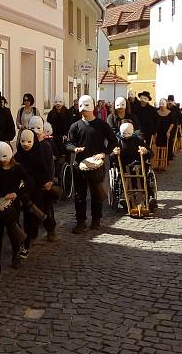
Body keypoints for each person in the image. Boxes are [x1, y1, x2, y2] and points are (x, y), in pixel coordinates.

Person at [67, 95, 118, 233]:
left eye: (86, 109)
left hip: (97, 165)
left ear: (93, 108)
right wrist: (74, 148)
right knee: (79, 195)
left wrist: (104, 153)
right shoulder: (75, 126)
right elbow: (68, 143)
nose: (84, 112)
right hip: (79, 166)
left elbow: (113, 141)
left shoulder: (102, 125)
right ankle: (81, 221)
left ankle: (96, 220)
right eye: (82, 109)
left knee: (96, 194)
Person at [0, 142, 31, 275]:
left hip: (14, 204)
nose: (3, 161)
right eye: (0, 158)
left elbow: (29, 182)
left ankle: (16, 254)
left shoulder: (18, 168)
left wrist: (17, 193)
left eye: (5, 158)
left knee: (13, 230)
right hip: (0, 205)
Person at [16, 129, 56, 247]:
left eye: (29, 141)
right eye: (23, 141)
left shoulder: (42, 150)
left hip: (41, 188)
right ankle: (31, 236)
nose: (25, 144)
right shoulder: (18, 156)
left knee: (45, 211)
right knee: (29, 214)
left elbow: (48, 167)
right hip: (27, 190)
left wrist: (49, 180)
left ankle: (51, 229)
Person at [47, 94, 73, 160]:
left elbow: (70, 124)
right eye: (56, 102)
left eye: (60, 102)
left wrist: (66, 134)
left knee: (66, 153)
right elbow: (48, 125)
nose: (58, 104)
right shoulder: (51, 113)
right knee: (56, 153)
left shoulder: (67, 112)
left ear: (63, 103)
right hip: (54, 136)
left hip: (65, 137)